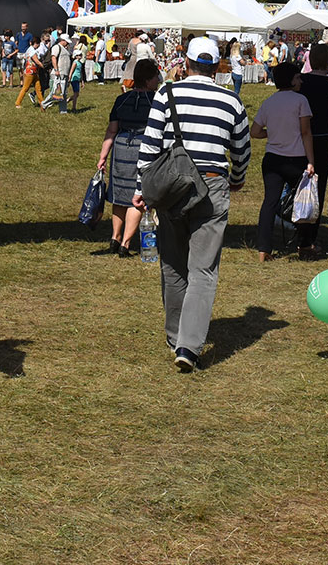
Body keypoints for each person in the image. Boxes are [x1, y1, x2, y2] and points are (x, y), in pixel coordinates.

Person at [133, 36, 250, 373]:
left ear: (186, 63)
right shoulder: (231, 101)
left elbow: (150, 145)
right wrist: (237, 179)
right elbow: (242, 150)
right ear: (217, 67)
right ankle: (188, 346)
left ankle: (175, 337)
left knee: (172, 264)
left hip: (172, 185)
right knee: (203, 270)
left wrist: (142, 189)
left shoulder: (166, 94)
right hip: (212, 186)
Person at [250, 62, 315, 262]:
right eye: (297, 77)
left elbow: (255, 131)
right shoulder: (301, 100)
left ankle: (263, 249)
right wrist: (311, 161)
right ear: (291, 80)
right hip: (296, 158)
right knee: (303, 202)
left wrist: (272, 133)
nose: (301, 80)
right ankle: (304, 245)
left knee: (269, 203)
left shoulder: (269, 102)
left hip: (273, 158)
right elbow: (305, 132)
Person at [95, 57, 159, 256]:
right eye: (156, 77)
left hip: (121, 147)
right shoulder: (156, 100)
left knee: (119, 194)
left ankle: (114, 237)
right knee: (137, 197)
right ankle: (125, 243)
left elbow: (111, 130)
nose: (158, 80)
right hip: (144, 148)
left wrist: (103, 157)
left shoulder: (121, 100)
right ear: (148, 80)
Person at [295, 42, 328, 258]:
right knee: (318, 188)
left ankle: (297, 229)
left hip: (298, 137)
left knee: (298, 184)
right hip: (323, 138)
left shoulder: (300, 81)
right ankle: (309, 238)